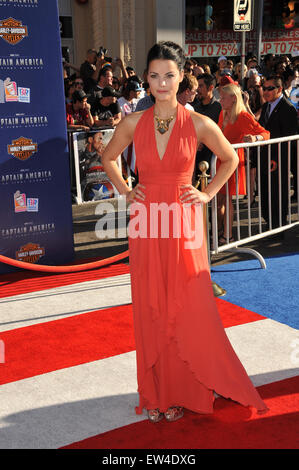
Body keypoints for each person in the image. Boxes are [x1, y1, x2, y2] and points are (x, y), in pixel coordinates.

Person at [101, 40, 268, 423]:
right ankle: (157, 394)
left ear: (181, 78)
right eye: (155, 75)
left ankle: (187, 389)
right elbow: (108, 158)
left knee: (190, 304)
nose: (162, 83)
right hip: (146, 219)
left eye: (169, 76)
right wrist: (127, 191)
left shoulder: (197, 122)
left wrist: (207, 194)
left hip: (183, 219)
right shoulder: (132, 122)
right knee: (151, 305)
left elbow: (230, 157)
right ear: (146, 78)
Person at [217, 83, 270, 244]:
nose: (220, 100)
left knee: (227, 199)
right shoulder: (223, 113)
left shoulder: (242, 116)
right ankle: (220, 231)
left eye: (223, 98)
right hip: (219, 160)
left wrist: (255, 138)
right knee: (219, 199)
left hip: (232, 162)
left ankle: (227, 235)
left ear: (233, 98)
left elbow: (265, 133)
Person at [259, 75, 298, 229]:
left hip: (279, 160)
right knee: (266, 192)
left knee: (278, 193)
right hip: (265, 158)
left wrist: (277, 159)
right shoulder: (266, 107)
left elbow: (288, 138)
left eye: (270, 88)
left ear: (279, 89)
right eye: (264, 88)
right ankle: (269, 224)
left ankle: (278, 226)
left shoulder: (288, 108)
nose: (266, 92)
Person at [192, 73, 222, 178]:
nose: (197, 90)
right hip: (195, 157)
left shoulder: (219, 108)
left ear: (211, 88)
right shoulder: (194, 109)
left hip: (213, 158)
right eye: (197, 87)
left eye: (200, 86)